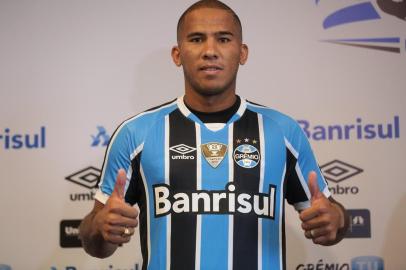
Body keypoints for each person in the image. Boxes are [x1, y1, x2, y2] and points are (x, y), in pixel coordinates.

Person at [79, 1, 349, 269]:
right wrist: (101, 228)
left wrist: (334, 219)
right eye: (196, 39)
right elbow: (95, 244)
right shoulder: (135, 134)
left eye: (223, 39)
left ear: (242, 53)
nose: (210, 51)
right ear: (177, 54)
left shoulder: (282, 131)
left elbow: (333, 222)